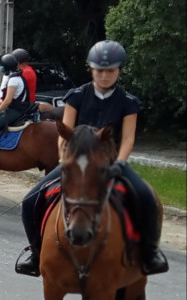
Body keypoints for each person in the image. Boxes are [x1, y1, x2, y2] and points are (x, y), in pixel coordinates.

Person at [16, 40, 168, 277]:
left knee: (146, 197)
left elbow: (127, 139)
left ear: (119, 70)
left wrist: (121, 162)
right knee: (29, 201)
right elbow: (64, 132)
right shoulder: (76, 96)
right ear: (91, 69)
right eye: (99, 70)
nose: (105, 75)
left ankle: (150, 253)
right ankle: (36, 255)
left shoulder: (128, 102)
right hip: (77, 163)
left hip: (111, 163)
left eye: (110, 70)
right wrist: (65, 159)